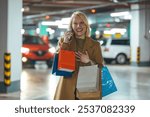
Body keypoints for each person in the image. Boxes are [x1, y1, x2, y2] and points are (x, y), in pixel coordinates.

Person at [54, 11, 103, 100]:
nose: (78, 26)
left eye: (81, 23)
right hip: (67, 86)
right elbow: (58, 64)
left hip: (87, 87)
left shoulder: (95, 45)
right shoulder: (64, 41)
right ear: (71, 26)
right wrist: (65, 43)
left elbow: (100, 67)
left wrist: (88, 61)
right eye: (75, 23)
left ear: (86, 25)